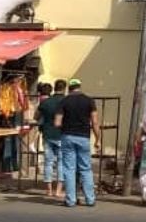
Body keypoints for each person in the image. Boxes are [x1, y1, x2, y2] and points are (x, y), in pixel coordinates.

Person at [55, 79, 101, 208]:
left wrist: (67, 126)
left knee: (69, 169)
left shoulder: (64, 101)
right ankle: (90, 199)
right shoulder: (89, 101)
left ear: (69, 88)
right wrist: (98, 139)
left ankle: (71, 200)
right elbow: (95, 122)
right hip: (84, 137)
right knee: (86, 169)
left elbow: (57, 123)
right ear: (80, 87)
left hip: (67, 136)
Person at [36, 80, 67, 198]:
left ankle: (48, 190)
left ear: (54, 88)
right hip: (62, 135)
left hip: (48, 134)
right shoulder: (66, 102)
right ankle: (58, 190)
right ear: (64, 88)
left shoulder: (46, 102)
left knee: (48, 162)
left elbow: (36, 116)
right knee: (61, 163)